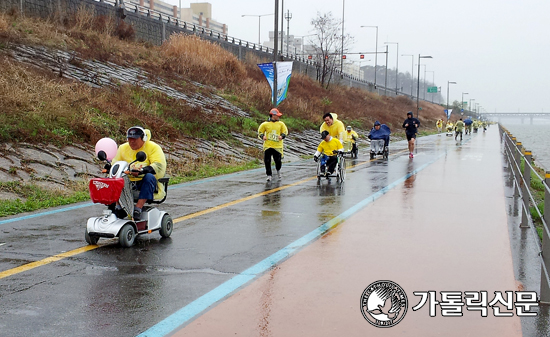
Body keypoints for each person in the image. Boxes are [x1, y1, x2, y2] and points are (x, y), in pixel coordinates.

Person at [112, 126, 167, 220]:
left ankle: (138, 208)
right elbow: (115, 163)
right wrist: (110, 167)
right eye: (129, 139)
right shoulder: (122, 148)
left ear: (143, 138)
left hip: (144, 182)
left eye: (134, 139)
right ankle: (118, 206)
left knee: (149, 177)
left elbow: (159, 165)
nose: (131, 142)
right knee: (113, 177)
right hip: (127, 181)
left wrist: (143, 170)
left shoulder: (153, 147)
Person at [258, 108, 288, 182]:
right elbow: (260, 132)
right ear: (272, 115)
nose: (278, 117)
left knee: (278, 161)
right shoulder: (265, 124)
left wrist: (282, 136)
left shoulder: (281, 124)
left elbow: (285, 132)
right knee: (267, 161)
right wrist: (262, 136)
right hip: (268, 145)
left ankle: (278, 170)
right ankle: (269, 175)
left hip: (277, 146)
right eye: (277, 115)